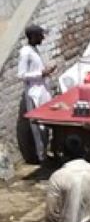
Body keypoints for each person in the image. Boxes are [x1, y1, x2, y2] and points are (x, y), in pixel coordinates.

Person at [17, 23, 56, 162]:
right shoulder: (25, 52)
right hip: (34, 93)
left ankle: (47, 152)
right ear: (33, 36)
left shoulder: (34, 50)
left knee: (46, 124)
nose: (42, 38)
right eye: (40, 35)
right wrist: (41, 73)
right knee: (38, 126)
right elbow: (21, 75)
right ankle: (41, 156)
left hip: (42, 90)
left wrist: (45, 71)